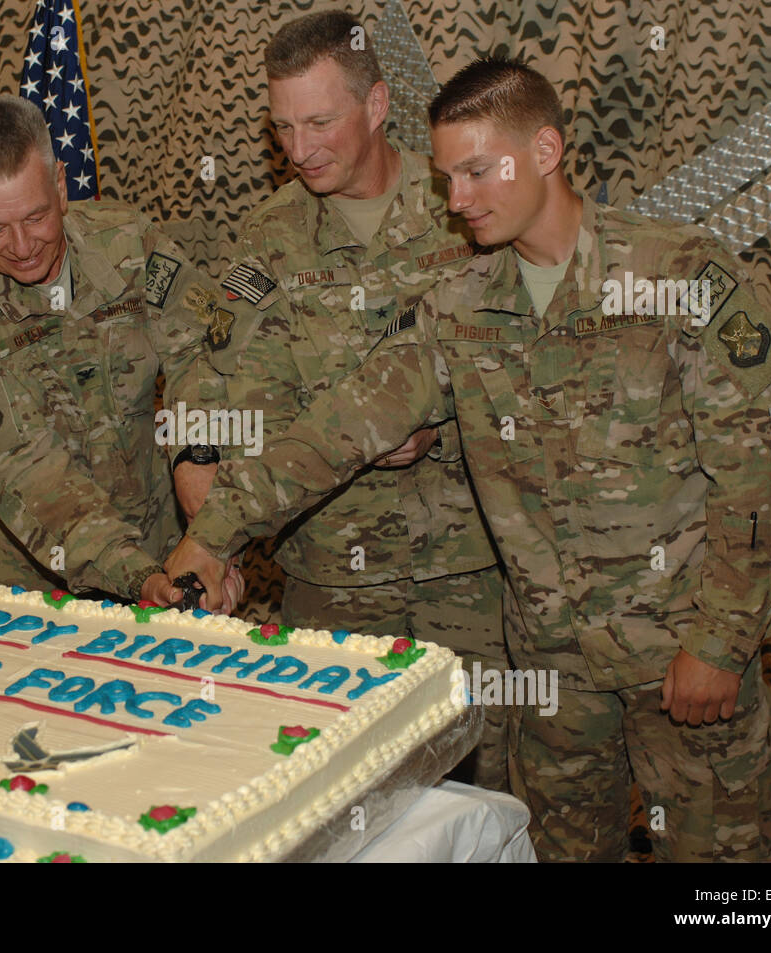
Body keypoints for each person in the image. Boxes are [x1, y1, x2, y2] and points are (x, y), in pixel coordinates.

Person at [166, 56, 771, 862]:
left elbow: (753, 480)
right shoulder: (457, 306)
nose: (456, 200)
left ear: (544, 151)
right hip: (552, 676)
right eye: (445, 177)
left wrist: (721, 639)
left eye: (475, 171)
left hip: (679, 656)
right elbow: (335, 430)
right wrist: (214, 530)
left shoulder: (676, 276)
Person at [172, 11, 508, 790]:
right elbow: (213, 378)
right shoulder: (269, 235)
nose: (299, 149)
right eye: (282, 125)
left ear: (379, 105)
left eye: (320, 120)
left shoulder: (464, 209)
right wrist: (200, 472)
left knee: (480, 800)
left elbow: (527, 366)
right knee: (339, 803)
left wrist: (441, 427)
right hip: (330, 580)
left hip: (469, 571)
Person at [0, 96, 239, 609]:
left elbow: (205, 349)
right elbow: (27, 470)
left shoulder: (131, 244)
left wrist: (205, 491)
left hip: (162, 543)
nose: (23, 245)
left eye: (36, 216)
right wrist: (140, 578)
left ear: (62, 187)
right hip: (23, 589)